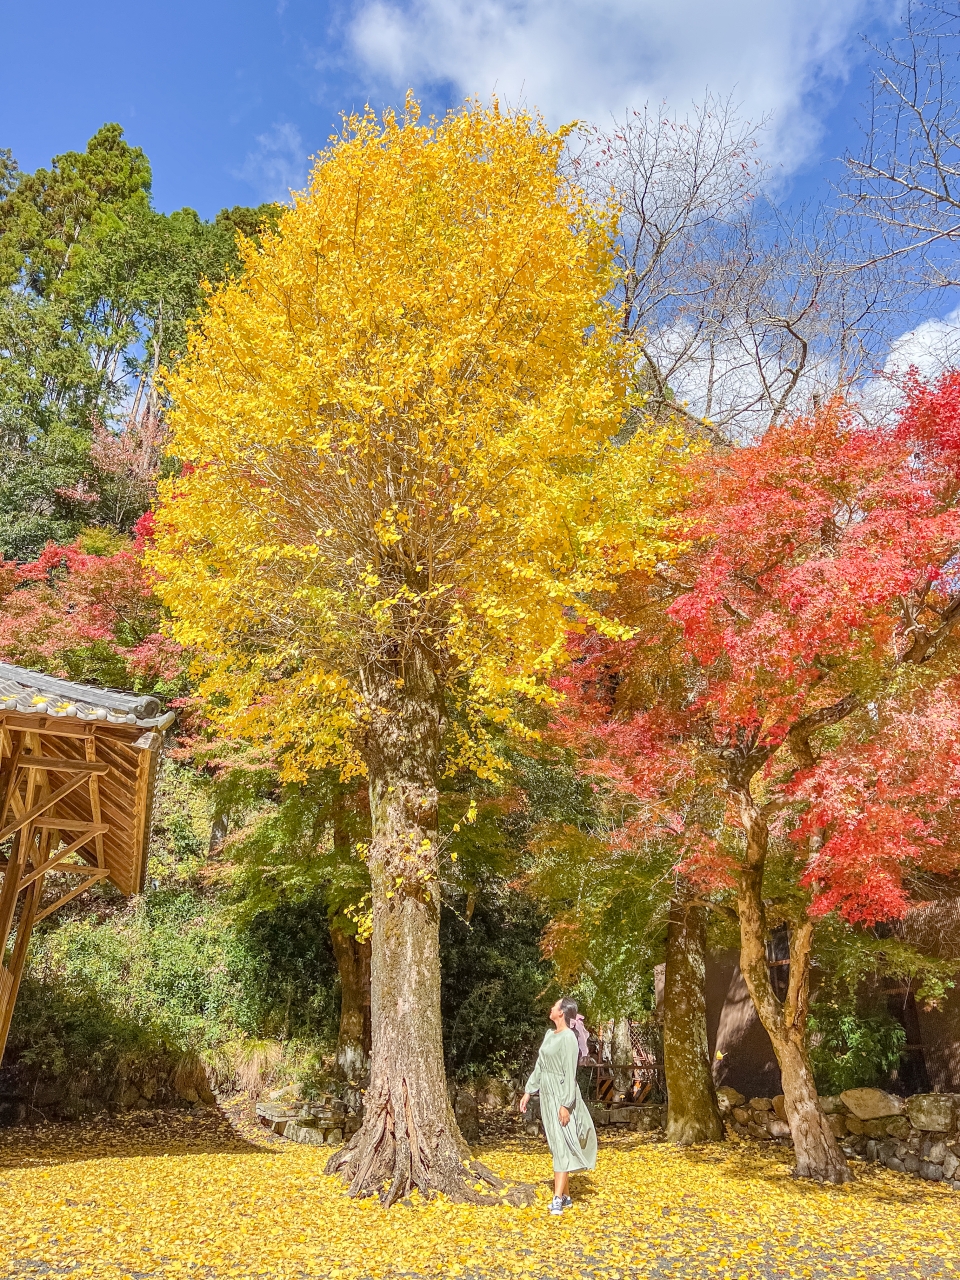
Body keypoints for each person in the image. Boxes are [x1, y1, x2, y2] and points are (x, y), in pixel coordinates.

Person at [519, 996, 598, 1214]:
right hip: (546, 1093)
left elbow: (569, 1073)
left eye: (554, 1006)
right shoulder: (549, 1035)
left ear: (561, 1012)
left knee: (562, 1143)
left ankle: (556, 1198)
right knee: (556, 1142)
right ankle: (566, 1196)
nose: (551, 1008)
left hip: (562, 1094)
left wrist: (565, 1104)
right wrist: (528, 1091)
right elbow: (540, 1066)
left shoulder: (568, 1039)